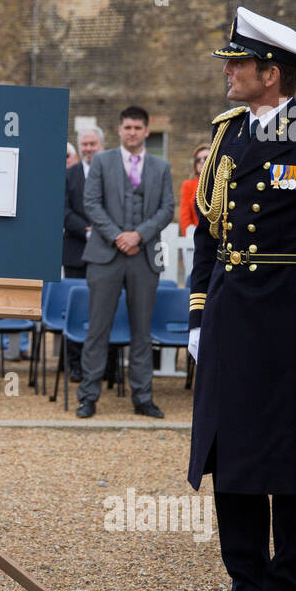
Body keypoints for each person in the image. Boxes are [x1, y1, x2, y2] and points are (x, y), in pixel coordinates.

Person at [186, 7, 296, 591]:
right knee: (234, 461)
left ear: (271, 73)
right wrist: (197, 314)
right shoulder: (226, 134)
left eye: (238, 63)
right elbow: (207, 234)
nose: (228, 71)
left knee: (289, 466)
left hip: (287, 322)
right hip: (230, 314)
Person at [76, 105, 175, 418]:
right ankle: (88, 397)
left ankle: (143, 398)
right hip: (105, 256)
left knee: (142, 331)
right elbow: (90, 203)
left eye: (138, 128)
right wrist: (119, 236)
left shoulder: (161, 167)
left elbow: (167, 208)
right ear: (119, 131)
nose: (132, 132)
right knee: (97, 328)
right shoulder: (102, 162)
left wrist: (138, 236)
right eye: (127, 127)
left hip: (143, 258)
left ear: (146, 131)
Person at [61, 127, 103, 380]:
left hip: (107, 252)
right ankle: (75, 365)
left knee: (103, 308)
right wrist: (87, 231)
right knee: (75, 308)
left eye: (92, 144)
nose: (88, 148)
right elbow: (63, 210)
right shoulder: (68, 175)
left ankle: (104, 367)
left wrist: (102, 231)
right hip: (76, 250)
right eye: (84, 144)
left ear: (101, 145)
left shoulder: (112, 170)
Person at [178, 143, 210, 235]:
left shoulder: (221, 184)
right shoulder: (188, 185)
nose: (201, 161)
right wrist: (190, 237)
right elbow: (185, 217)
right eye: (198, 159)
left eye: (206, 158)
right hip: (196, 236)